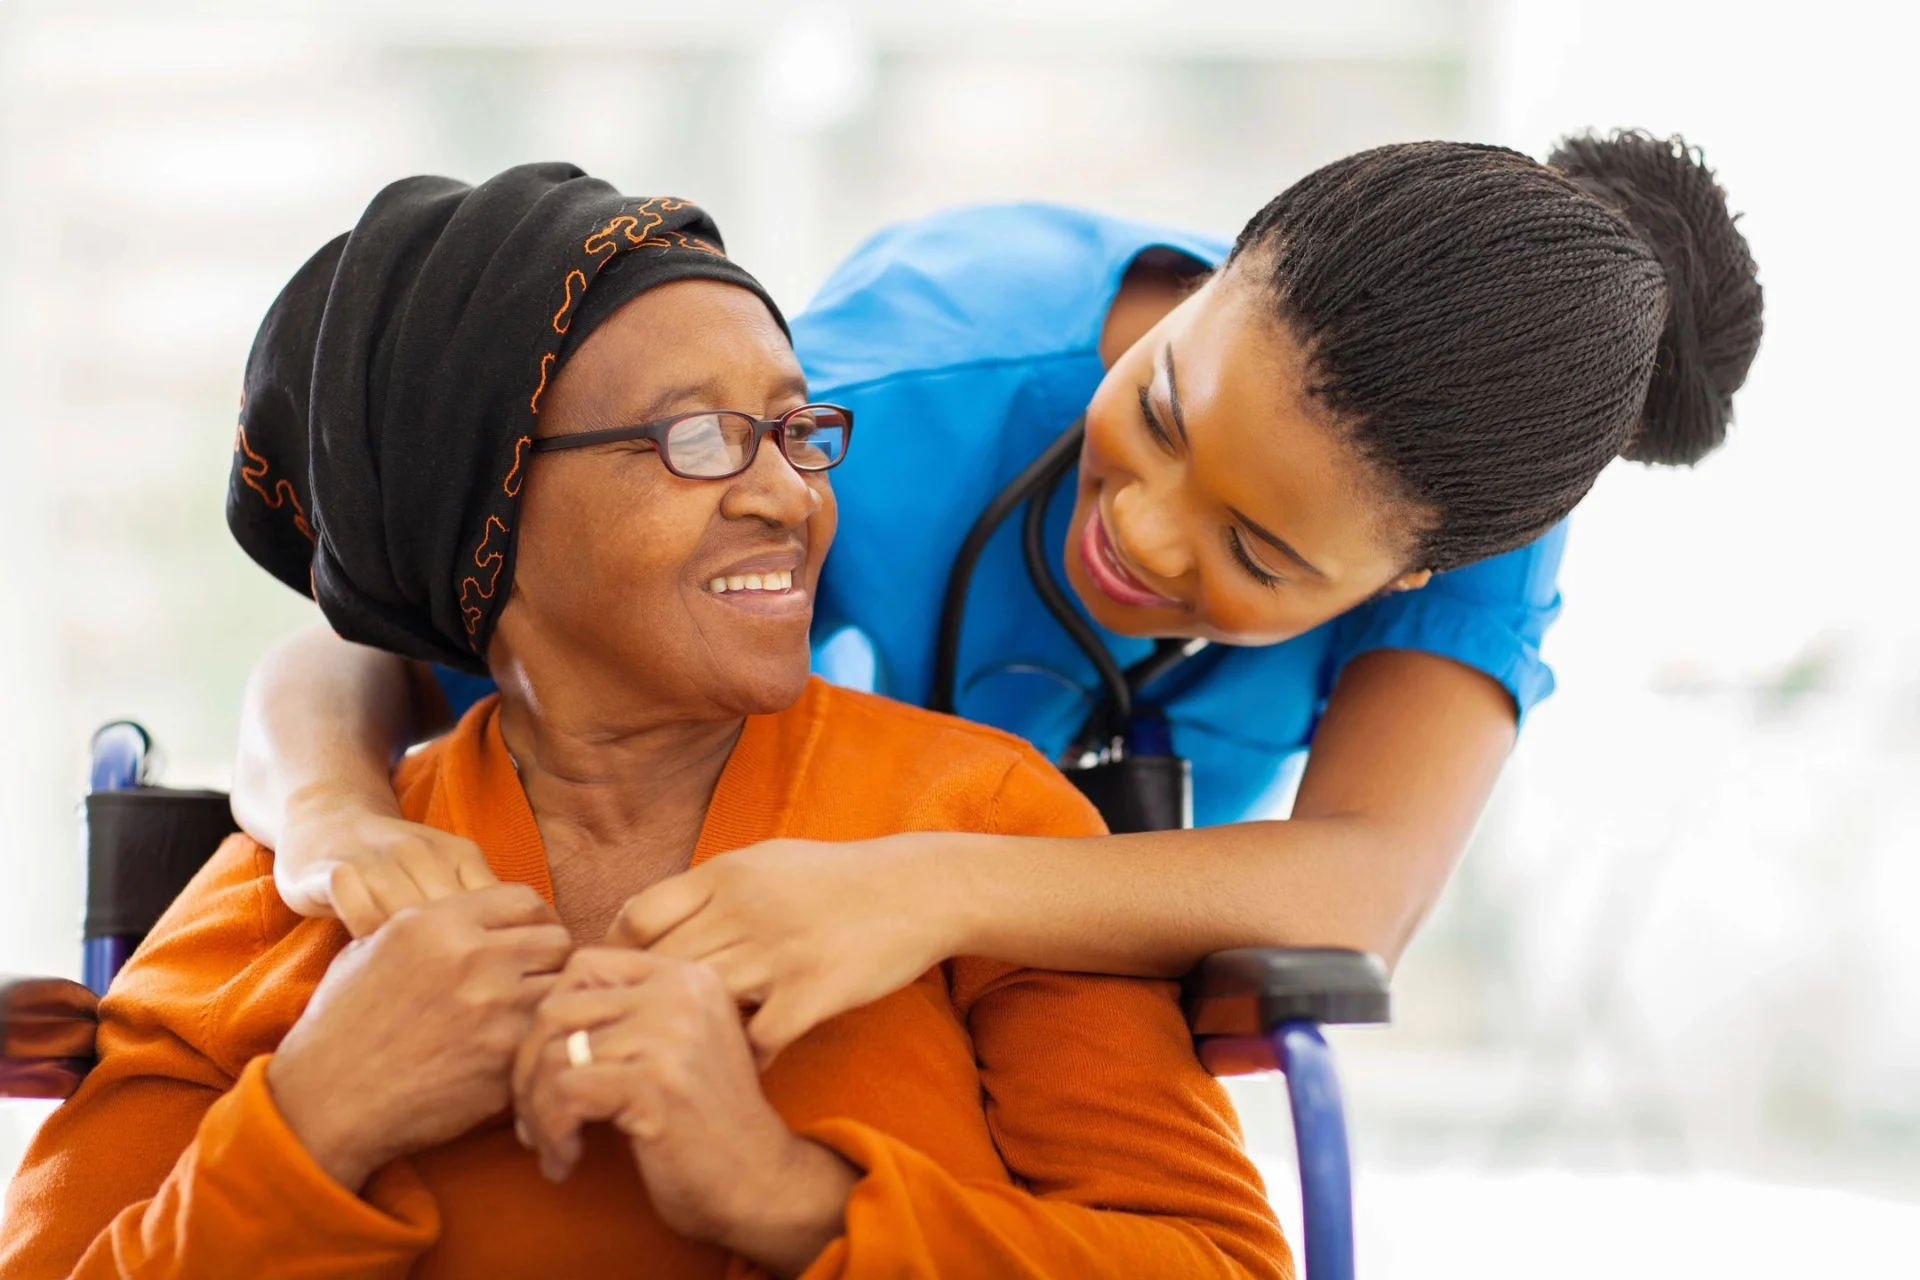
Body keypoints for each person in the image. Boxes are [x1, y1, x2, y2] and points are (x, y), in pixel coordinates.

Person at [0, 167, 1289, 1280]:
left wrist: (784, 1196)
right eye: (698, 439)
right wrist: (317, 1121)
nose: (789, 495)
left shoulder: (982, 823)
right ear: (484, 516)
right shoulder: (302, 888)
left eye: (795, 429)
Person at [231, 132, 1765, 1062]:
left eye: (1262, 556)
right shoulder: (893, 393)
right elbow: (348, 653)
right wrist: (332, 820)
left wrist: (922, 885)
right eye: (1159, 411)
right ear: (1218, 277)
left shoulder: (1467, 511)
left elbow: (1363, 891)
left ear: (1414, 573)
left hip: (998, 1057)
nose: (1150, 540)